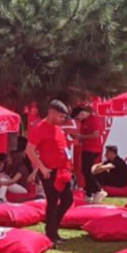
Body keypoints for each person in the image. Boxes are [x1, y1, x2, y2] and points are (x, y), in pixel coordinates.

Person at [27, 100, 75, 242]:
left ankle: (52, 226)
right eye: (61, 117)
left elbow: (63, 150)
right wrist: (41, 168)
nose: (63, 120)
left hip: (62, 171)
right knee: (53, 201)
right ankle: (51, 234)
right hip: (49, 172)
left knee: (68, 199)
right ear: (52, 113)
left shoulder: (58, 129)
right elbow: (29, 151)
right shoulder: (40, 128)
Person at [72, 105, 107, 203]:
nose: (78, 120)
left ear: (81, 113)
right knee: (84, 170)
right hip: (86, 148)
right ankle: (88, 194)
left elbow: (96, 134)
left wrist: (81, 136)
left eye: (77, 118)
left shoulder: (93, 119)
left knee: (86, 170)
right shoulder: (84, 121)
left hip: (92, 148)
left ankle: (98, 190)